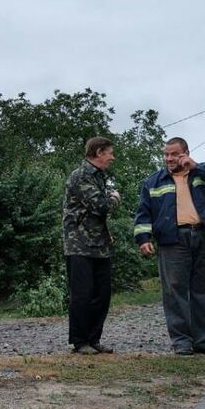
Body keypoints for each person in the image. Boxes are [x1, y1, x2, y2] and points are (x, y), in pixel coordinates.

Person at [134, 137, 205, 355]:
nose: (169, 158)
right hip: (172, 239)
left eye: (174, 154)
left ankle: (204, 341)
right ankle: (182, 342)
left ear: (185, 153)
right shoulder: (153, 182)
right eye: (166, 154)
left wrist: (197, 167)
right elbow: (143, 213)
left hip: (203, 235)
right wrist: (143, 239)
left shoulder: (202, 173)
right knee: (174, 291)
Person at [62, 136, 121, 355]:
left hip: (99, 245)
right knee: (82, 295)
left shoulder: (98, 177)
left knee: (102, 294)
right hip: (79, 244)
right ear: (99, 153)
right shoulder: (81, 176)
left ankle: (94, 339)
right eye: (110, 153)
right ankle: (80, 342)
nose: (112, 157)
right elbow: (101, 206)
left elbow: (95, 214)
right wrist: (115, 198)